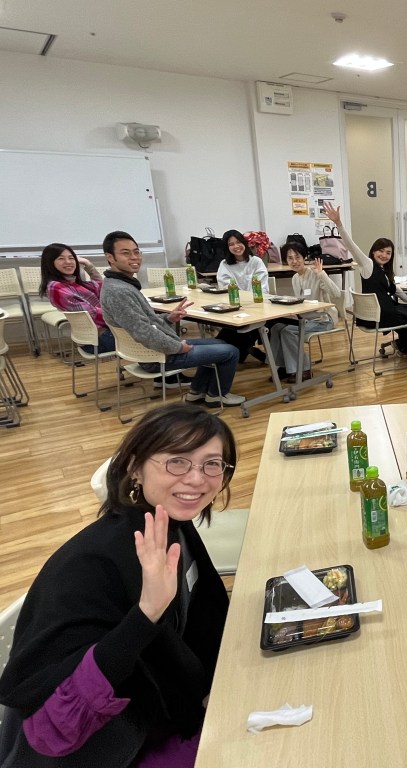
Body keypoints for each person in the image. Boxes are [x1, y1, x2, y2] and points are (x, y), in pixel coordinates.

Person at [0, 403, 237, 767]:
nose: (196, 479)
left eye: (212, 464)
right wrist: (147, 613)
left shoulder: (167, 525)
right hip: (105, 748)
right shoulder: (92, 564)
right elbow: (55, 722)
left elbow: (201, 616)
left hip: (161, 716)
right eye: (177, 461)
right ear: (135, 467)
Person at [99, 230, 245, 407]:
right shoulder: (119, 291)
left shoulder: (120, 285)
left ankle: (197, 392)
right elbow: (143, 332)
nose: (134, 257)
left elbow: (144, 322)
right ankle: (216, 396)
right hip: (155, 356)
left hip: (155, 349)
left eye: (136, 252)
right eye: (126, 253)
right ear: (110, 257)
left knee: (220, 343)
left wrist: (168, 318)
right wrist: (178, 348)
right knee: (230, 351)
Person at [324, 202, 407, 355]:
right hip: (379, 315)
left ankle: (404, 345)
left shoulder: (385, 272)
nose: (384, 255)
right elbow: (351, 246)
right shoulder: (368, 265)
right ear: (373, 251)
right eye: (381, 251)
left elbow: (400, 293)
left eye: (388, 253)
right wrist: (339, 224)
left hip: (385, 312)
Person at [268, 244, 341, 383]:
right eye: (290, 258)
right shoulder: (295, 278)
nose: (294, 261)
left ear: (304, 258)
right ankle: (285, 366)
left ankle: (305, 369)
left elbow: (336, 294)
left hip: (323, 319)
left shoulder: (315, 274)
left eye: (297, 257)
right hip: (306, 319)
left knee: (287, 332)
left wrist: (321, 273)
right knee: (276, 328)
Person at [38, 243, 114, 354]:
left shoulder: (73, 283)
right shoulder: (56, 287)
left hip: (102, 334)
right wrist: (122, 317)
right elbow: (92, 314)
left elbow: (102, 287)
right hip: (97, 341)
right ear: (50, 263)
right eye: (61, 258)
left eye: (71, 258)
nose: (68, 262)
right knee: (140, 337)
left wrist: (88, 264)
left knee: (139, 329)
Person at [214, 229, 270, 364]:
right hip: (235, 308)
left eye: (238, 242)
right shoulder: (225, 264)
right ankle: (235, 352)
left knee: (245, 331)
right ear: (227, 247)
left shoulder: (256, 262)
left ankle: (236, 352)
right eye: (231, 244)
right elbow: (226, 287)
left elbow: (261, 287)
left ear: (244, 243)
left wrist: (248, 303)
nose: (236, 246)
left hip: (256, 308)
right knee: (232, 334)